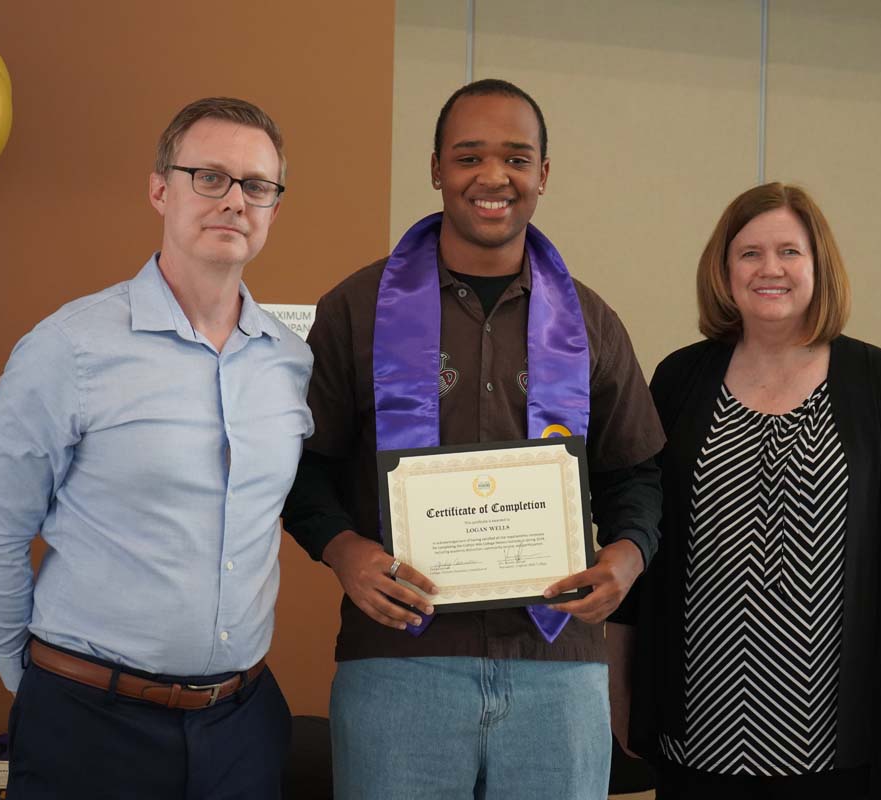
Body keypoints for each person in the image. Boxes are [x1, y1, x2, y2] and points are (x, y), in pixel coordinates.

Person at [281, 78, 664, 799]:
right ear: (435, 170)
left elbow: (634, 472)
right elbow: (303, 468)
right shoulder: (357, 309)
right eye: (469, 157)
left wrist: (627, 556)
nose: (494, 177)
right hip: (398, 665)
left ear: (543, 176)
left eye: (517, 158)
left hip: (559, 666)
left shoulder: (589, 320)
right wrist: (345, 551)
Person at [0, 97, 312, 799]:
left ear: (272, 207)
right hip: (88, 726)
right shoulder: (70, 348)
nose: (234, 201)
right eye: (209, 177)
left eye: (256, 186)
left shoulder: (289, 362)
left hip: (242, 727)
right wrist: (36, 689)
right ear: (160, 189)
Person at [608, 182, 881, 799]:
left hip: (839, 731)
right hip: (700, 724)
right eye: (749, 253)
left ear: (818, 265)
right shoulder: (679, 380)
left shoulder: (879, 382)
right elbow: (641, 527)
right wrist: (618, 683)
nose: (768, 268)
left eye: (788, 252)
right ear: (723, 271)